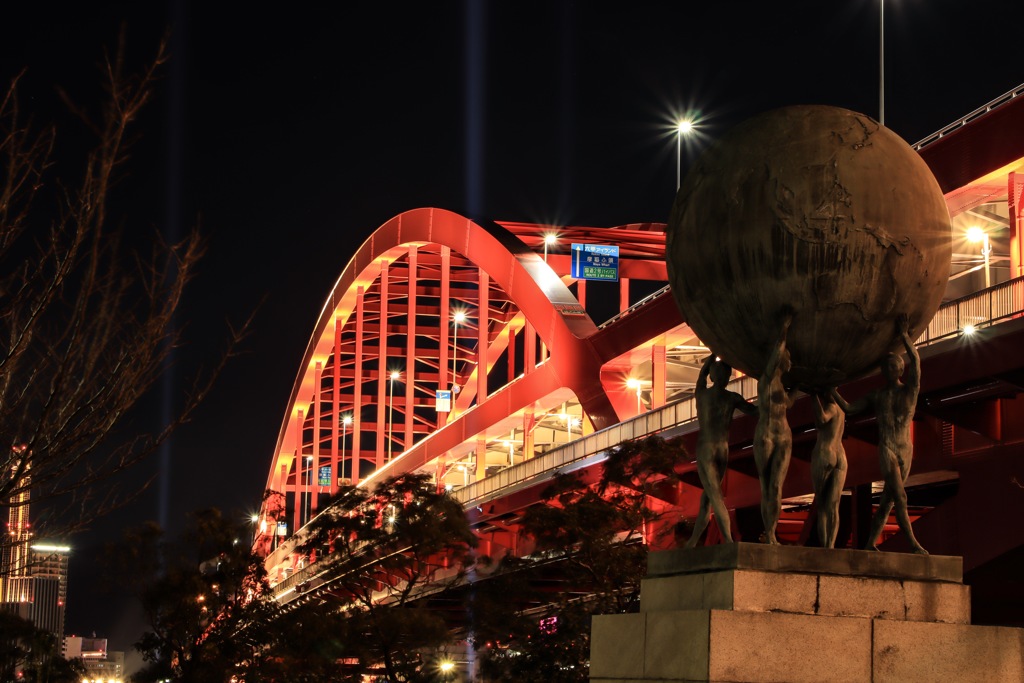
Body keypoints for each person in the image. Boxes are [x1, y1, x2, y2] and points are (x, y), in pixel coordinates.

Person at [832, 314, 927, 554]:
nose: (890, 369)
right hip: (887, 448)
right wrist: (830, 390)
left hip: (906, 448)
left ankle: (869, 544)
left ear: (900, 368)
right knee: (900, 496)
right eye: (886, 367)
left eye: (894, 365)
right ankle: (914, 544)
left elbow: (916, 362)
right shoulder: (877, 396)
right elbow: (850, 408)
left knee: (888, 501)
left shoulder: (910, 392)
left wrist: (905, 336)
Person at [686, 354, 757, 548]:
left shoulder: (702, 394)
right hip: (723, 449)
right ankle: (693, 542)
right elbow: (756, 412)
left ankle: (728, 540)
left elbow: (701, 374)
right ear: (728, 378)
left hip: (706, 448)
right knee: (707, 497)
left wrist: (714, 353)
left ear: (712, 377)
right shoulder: (732, 398)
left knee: (715, 495)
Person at [754, 312, 795, 545]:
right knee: (766, 485)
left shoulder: (781, 385)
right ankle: (768, 531)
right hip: (766, 435)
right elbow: (777, 351)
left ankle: (771, 531)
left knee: (777, 486)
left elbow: (788, 403)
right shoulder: (767, 380)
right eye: (789, 358)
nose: (792, 363)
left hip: (784, 436)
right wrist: (784, 329)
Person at [810, 389, 847, 548]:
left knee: (822, 504)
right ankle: (831, 544)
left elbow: (822, 419)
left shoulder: (831, 407)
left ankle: (826, 546)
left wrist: (813, 397)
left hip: (825, 452)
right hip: (841, 455)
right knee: (834, 505)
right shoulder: (841, 410)